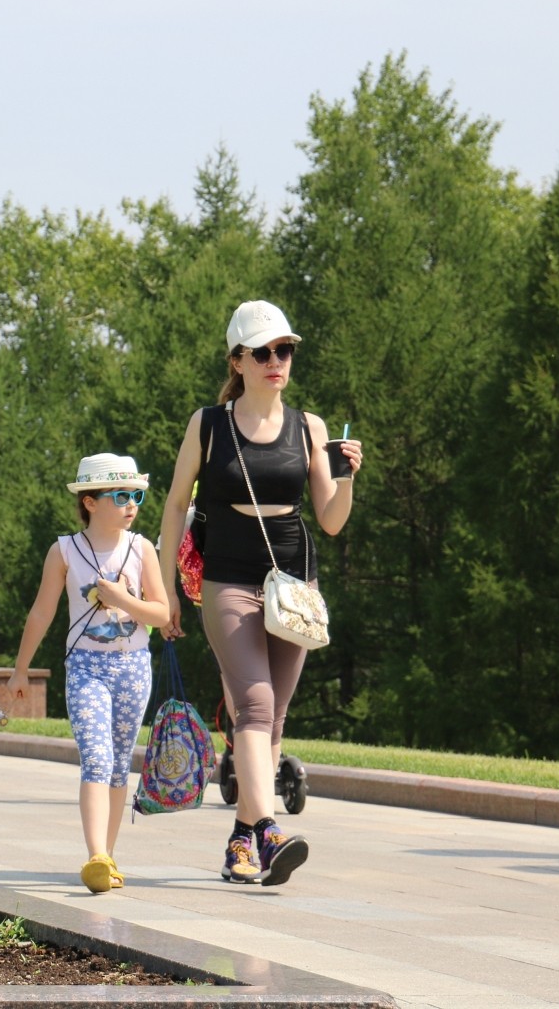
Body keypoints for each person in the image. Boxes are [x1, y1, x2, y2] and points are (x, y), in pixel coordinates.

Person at [158, 301, 362, 887]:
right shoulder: (209, 423)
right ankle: (270, 833)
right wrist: (167, 586)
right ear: (238, 361)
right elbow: (175, 505)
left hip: (294, 589)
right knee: (254, 705)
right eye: (265, 352)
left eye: (286, 350)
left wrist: (345, 477)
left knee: (271, 724)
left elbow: (329, 520)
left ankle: (242, 840)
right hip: (227, 582)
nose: (278, 362)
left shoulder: (310, 428)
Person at [8, 453, 171, 894]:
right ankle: (96, 854)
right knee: (96, 758)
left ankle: (108, 858)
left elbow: (160, 613)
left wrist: (121, 598)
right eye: (121, 495)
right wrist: (20, 670)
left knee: (120, 765)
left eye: (136, 494)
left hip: (134, 667)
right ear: (90, 501)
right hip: (85, 667)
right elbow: (42, 612)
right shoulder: (64, 551)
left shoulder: (141, 549)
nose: (132, 503)